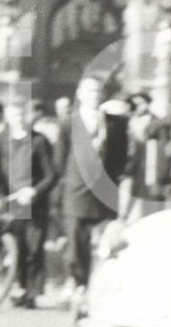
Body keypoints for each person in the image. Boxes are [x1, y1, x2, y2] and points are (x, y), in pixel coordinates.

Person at [56, 74, 131, 309]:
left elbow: (120, 157)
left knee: (103, 243)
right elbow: (60, 158)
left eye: (98, 92)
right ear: (80, 95)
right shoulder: (69, 122)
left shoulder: (115, 124)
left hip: (103, 192)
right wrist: (71, 180)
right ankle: (77, 283)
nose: (94, 96)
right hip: (77, 191)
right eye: (89, 91)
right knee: (76, 243)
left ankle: (94, 290)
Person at [0, 97, 58, 307]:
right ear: (7, 117)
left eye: (22, 115)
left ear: (28, 116)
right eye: (14, 115)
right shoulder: (4, 140)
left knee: (34, 248)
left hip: (35, 202)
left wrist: (35, 190)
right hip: (13, 201)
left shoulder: (39, 141)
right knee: (19, 248)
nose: (19, 119)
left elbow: (51, 175)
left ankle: (31, 293)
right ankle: (20, 287)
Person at [126, 91, 170, 219]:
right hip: (134, 167)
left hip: (151, 167)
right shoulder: (129, 121)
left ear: (148, 103)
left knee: (151, 202)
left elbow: (163, 148)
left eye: (141, 103)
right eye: (135, 104)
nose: (138, 106)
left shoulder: (157, 123)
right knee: (132, 199)